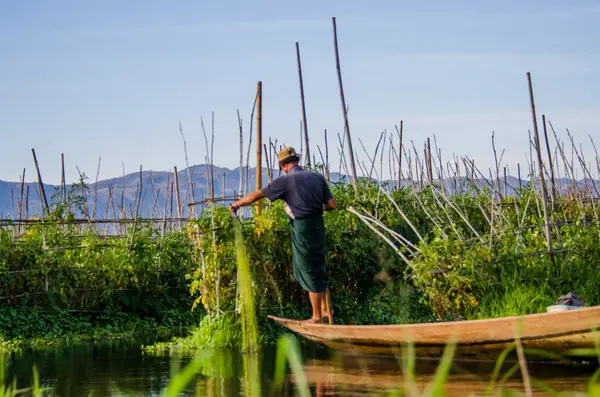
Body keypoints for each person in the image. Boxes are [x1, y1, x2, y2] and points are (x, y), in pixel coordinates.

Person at [229, 146, 337, 324]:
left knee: (307, 268)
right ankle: (325, 309)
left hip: (302, 228)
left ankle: (317, 316)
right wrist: (317, 207)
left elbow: (257, 196)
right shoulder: (317, 177)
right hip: (318, 226)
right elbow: (331, 205)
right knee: (318, 264)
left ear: (282, 165)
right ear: (297, 160)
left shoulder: (285, 181)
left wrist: (237, 204)